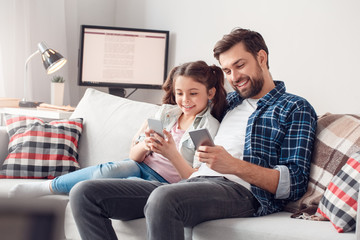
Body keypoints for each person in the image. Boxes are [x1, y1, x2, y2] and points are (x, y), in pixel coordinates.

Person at [69, 28, 318, 240]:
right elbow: (187, 100)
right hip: (195, 183)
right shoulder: (228, 103)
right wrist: (154, 131)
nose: (234, 77)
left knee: (164, 198)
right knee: (84, 193)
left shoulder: (294, 107)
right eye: (227, 70)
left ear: (261, 58)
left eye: (240, 65)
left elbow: (294, 183)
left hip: (244, 193)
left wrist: (233, 165)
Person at [8, 60, 227, 198]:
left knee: (127, 184)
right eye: (180, 93)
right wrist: (145, 145)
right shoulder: (165, 113)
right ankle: (46, 188)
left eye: (193, 93)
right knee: (115, 169)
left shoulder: (207, 128)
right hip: (140, 166)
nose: (184, 100)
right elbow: (134, 156)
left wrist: (171, 154)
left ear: (210, 93)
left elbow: (196, 179)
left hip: (167, 184)